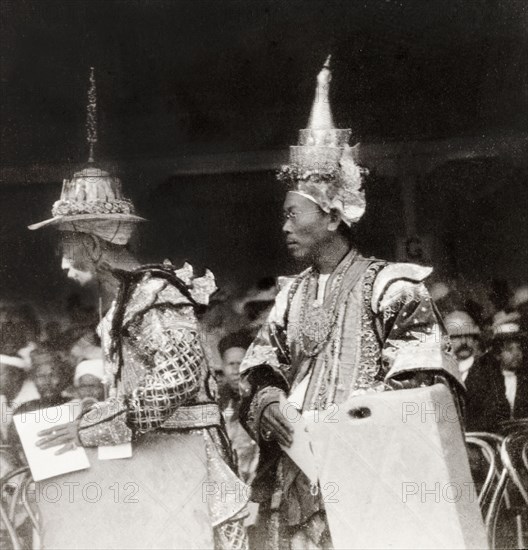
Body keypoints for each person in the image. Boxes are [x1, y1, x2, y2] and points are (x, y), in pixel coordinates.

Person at [239, 57, 463, 550]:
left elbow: (425, 382)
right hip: (302, 479)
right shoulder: (290, 296)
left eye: (292, 214)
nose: (284, 227)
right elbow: (260, 370)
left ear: (333, 217)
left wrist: (356, 426)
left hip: (376, 477)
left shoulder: (392, 286)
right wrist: (268, 401)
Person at [26, 69, 248, 550]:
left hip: (190, 463)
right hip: (156, 462)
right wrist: (94, 412)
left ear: (92, 240)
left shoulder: (154, 292)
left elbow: (178, 377)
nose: (63, 262)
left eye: (67, 243)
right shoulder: (124, 300)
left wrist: (95, 425)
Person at [218, 331, 258, 484]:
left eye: (240, 364)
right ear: (222, 366)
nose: (235, 371)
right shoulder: (216, 399)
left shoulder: (260, 398)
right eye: (231, 364)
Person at [444, 310, 482, 382]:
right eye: (457, 337)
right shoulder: (443, 373)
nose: (464, 342)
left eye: (468, 335)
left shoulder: (487, 371)